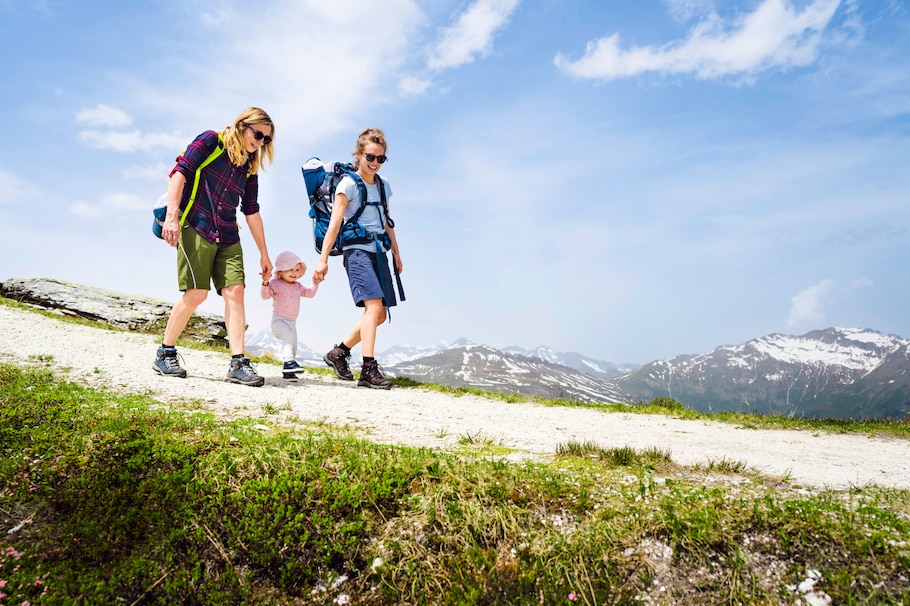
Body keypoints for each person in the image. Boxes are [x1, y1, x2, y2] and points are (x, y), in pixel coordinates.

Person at [153, 107, 275, 387]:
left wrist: (264, 254)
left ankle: (238, 362)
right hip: (196, 224)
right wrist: (172, 218)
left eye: (266, 140)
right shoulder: (211, 141)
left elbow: (252, 211)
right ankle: (165, 352)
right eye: (258, 135)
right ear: (243, 126)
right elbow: (179, 174)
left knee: (236, 292)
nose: (260, 143)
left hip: (228, 233)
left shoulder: (250, 166)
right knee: (196, 294)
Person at [312, 128, 402, 389]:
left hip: (379, 252)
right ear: (359, 154)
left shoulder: (384, 186)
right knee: (372, 307)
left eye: (380, 159)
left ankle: (339, 352)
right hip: (357, 252)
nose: (375, 163)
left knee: (380, 314)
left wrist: (397, 252)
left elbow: (388, 221)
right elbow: (334, 224)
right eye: (370, 157)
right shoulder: (348, 184)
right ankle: (368, 369)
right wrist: (323, 259)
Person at [261, 250, 321, 381]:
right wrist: (265, 283)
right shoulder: (275, 284)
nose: (294, 273)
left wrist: (315, 283)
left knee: (292, 345)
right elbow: (265, 296)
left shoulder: (298, 286)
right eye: (290, 269)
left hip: (292, 322)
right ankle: (289, 363)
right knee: (287, 337)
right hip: (278, 321)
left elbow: (309, 294)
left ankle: (288, 372)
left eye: (297, 270)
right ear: (280, 271)